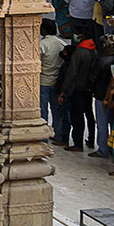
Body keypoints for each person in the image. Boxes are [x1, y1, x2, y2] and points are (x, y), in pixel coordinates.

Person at [41, 17, 71, 146]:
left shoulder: (42, 45)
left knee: (43, 111)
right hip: (57, 82)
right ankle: (58, 134)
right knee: (57, 110)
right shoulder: (62, 44)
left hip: (43, 81)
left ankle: (43, 137)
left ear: (44, 30)